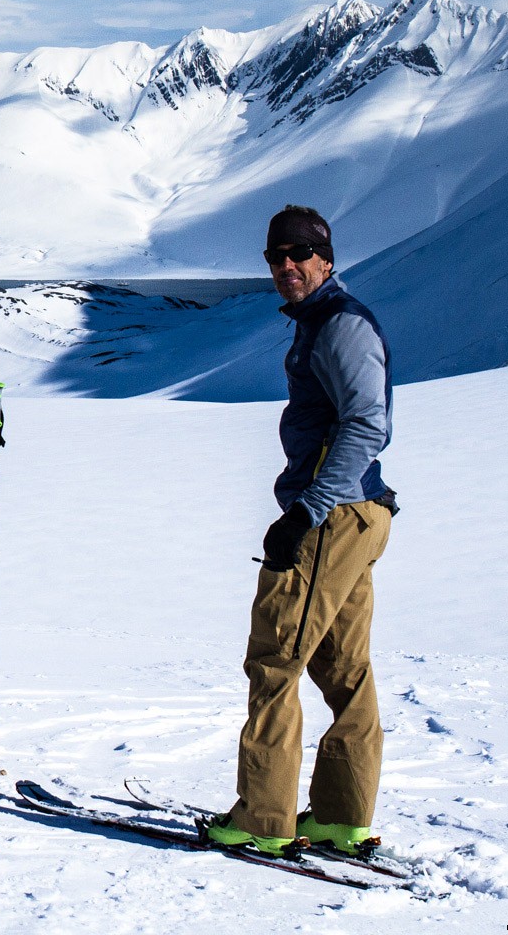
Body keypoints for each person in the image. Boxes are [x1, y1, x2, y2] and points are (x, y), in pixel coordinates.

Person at [207, 205, 396, 858]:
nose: (285, 267)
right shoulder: (325, 321)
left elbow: (367, 425)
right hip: (358, 510)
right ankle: (342, 816)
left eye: (297, 254)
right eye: (274, 257)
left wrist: (307, 511)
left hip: (334, 517)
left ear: (325, 257)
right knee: (344, 669)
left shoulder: (341, 326)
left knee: (275, 659)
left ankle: (265, 819)